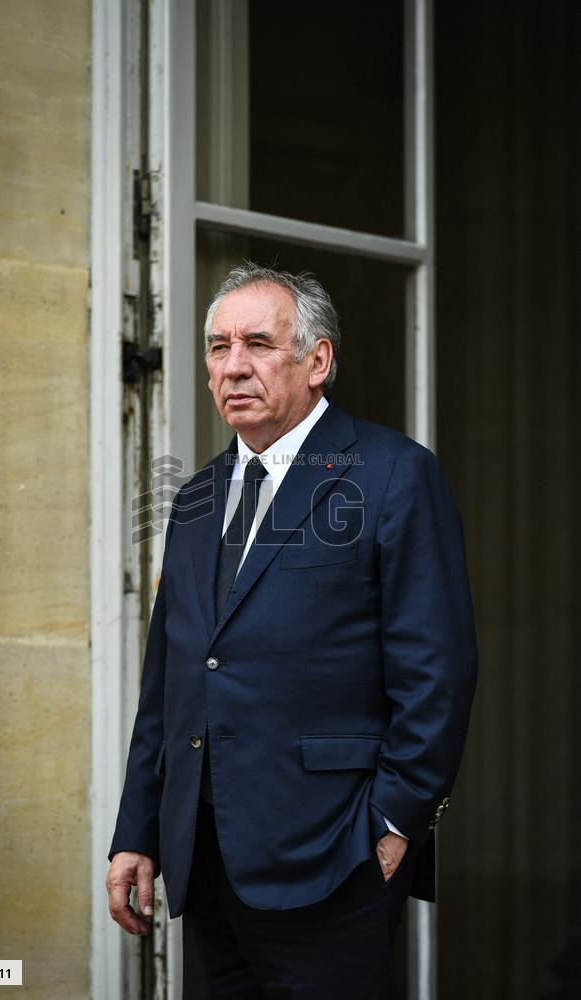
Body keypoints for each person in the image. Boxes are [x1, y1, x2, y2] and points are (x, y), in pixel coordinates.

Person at [106, 263, 478, 998]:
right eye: (218, 347)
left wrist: (396, 820)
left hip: (333, 855)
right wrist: (138, 831)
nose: (233, 366)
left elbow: (438, 670)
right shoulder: (195, 498)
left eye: (257, 344)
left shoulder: (393, 474)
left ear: (317, 360)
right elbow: (169, 684)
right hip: (205, 864)